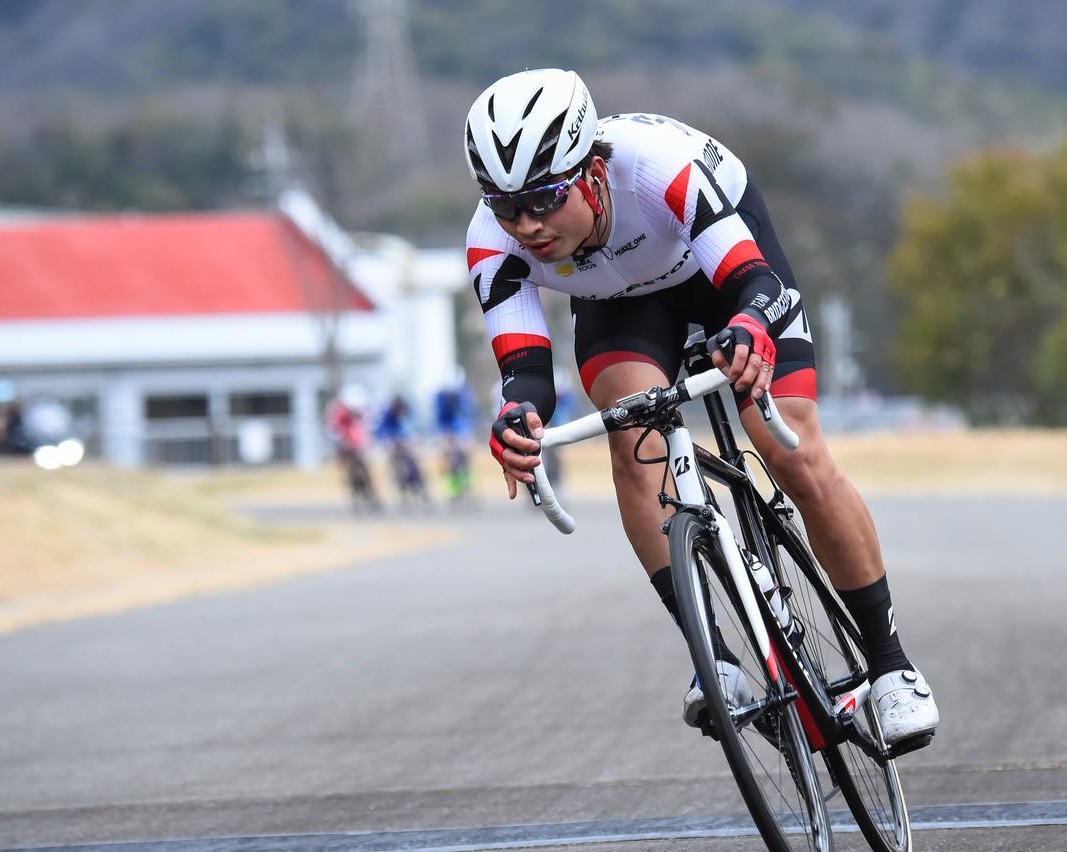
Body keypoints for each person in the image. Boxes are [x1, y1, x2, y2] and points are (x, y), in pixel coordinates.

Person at [466, 68, 938, 749]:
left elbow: (755, 283)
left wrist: (747, 328)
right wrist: (517, 419)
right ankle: (714, 660)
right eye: (506, 206)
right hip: (621, 307)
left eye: (543, 199)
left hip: (722, 272)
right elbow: (527, 375)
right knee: (633, 441)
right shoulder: (493, 241)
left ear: (590, 169)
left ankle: (892, 666)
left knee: (789, 450)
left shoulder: (658, 172)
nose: (528, 225)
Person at [324, 383, 380, 511]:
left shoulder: (362, 411)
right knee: (347, 468)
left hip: (357, 442)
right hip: (343, 443)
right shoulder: (336, 411)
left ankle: (371, 495)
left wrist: (367, 442)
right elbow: (332, 429)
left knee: (365, 466)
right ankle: (352, 493)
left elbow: (366, 427)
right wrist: (340, 440)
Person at [434, 371, 476, 502]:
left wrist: (465, 437)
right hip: (446, 428)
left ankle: (467, 482)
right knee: (448, 455)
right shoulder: (439, 397)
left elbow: (467, 416)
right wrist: (447, 437)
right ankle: (452, 488)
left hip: (461, 427)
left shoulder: (464, 395)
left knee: (465, 451)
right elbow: (439, 420)